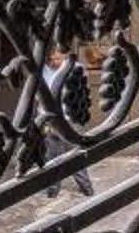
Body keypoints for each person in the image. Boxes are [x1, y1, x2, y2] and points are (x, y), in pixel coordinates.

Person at [39, 49, 98, 198]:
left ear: (64, 57)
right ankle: (52, 190)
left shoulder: (76, 69)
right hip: (49, 120)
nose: (54, 62)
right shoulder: (43, 71)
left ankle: (86, 188)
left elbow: (82, 93)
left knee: (76, 154)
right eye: (51, 59)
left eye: (57, 58)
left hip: (71, 119)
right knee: (52, 156)